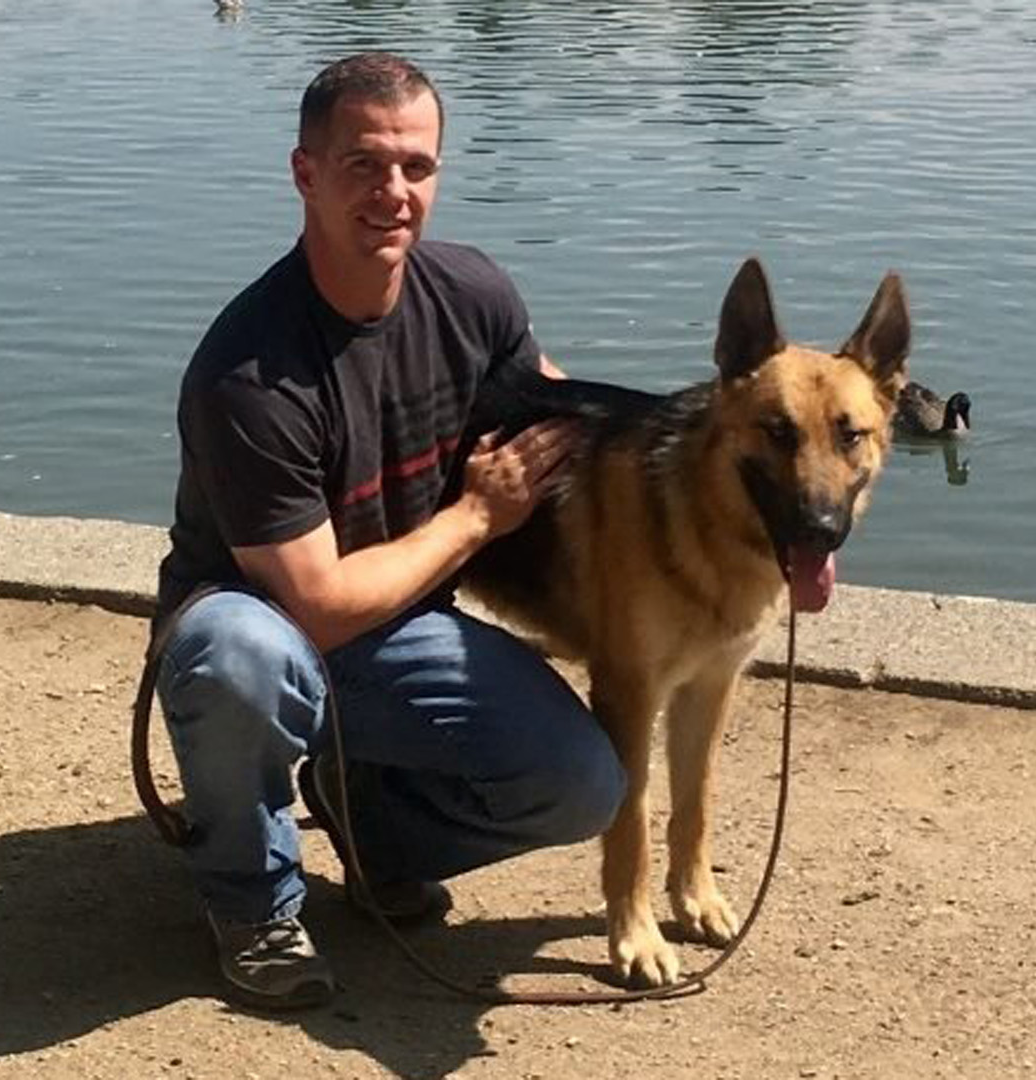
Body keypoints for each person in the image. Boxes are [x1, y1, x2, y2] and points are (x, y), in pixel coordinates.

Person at [151, 52, 627, 1010]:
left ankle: (370, 829)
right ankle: (254, 905)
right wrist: (477, 518)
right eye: (365, 165)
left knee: (583, 785)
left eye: (417, 166)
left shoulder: (474, 295)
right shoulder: (249, 374)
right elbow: (318, 609)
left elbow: (559, 419)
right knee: (236, 654)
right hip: (273, 632)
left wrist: (732, 494)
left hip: (406, 627)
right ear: (306, 174)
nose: (395, 192)